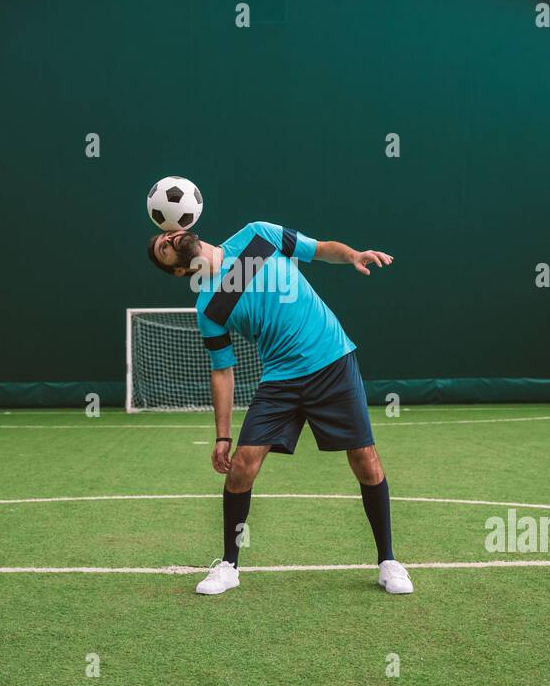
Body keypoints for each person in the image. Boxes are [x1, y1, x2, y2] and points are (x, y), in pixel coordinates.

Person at [146, 221, 412, 596]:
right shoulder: (209, 306)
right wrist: (222, 435)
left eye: (169, 234)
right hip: (280, 380)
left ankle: (388, 561)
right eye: (164, 247)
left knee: (365, 460)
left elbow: (318, 249)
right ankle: (228, 566)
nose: (170, 239)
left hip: (331, 360)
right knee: (241, 467)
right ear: (176, 269)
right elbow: (222, 371)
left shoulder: (256, 237)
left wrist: (352, 254)